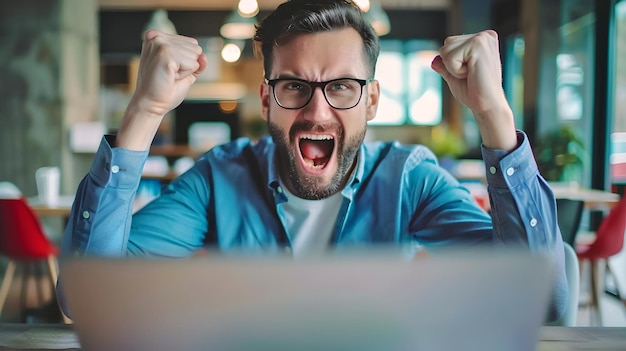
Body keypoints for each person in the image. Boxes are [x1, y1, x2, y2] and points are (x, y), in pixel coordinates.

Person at [59, 0, 566, 321]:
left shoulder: (410, 179)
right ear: (266, 99)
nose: (317, 111)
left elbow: (545, 299)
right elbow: (84, 296)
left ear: (371, 101)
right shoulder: (220, 178)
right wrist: (144, 111)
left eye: (343, 86)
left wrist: (494, 112)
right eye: (294, 86)